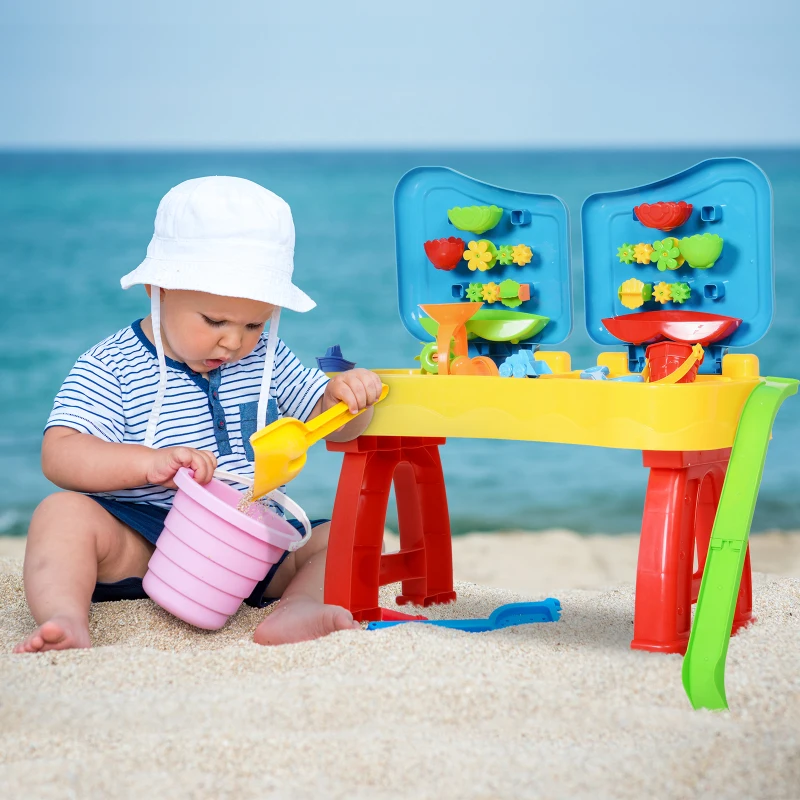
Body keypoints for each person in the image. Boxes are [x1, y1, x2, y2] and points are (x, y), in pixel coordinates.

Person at [14, 176, 383, 654]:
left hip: (249, 543)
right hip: (143, 539)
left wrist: (346, 400)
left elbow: (330, 422)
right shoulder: (112, 364)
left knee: (353, 534)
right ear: (159, 289)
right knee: (61, 514)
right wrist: (147, 463)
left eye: (254, 323)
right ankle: (64, 616)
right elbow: (60, 453)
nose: (234, 341)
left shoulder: (266, 356)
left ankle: (297, 607)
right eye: (214, 321)